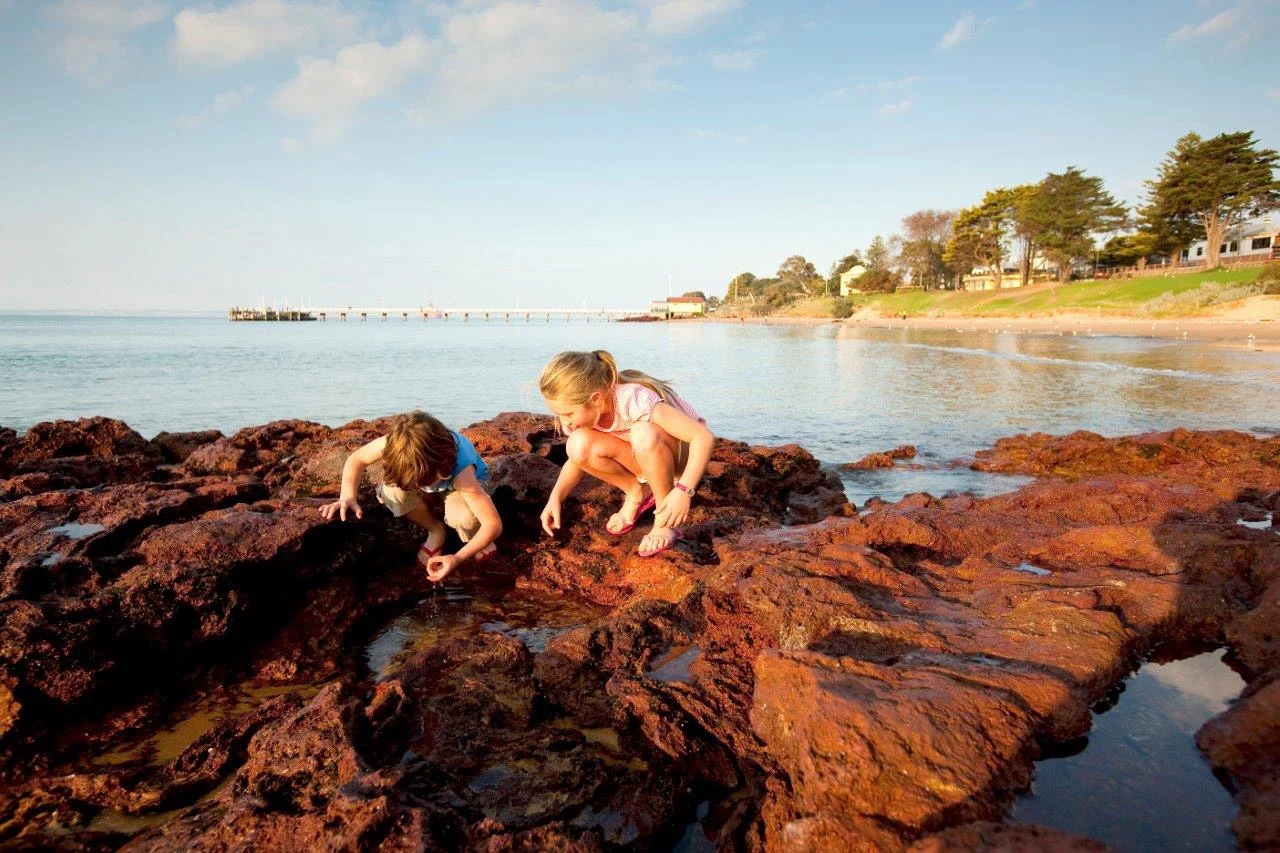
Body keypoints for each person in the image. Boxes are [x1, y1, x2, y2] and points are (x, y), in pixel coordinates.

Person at [538, 350, 713, 557]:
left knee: (643, 432)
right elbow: (577, 459)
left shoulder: (633, 399)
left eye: (567, 413)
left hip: (680, 460)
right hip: (644, 458)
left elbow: (703, 437)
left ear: (595, 399)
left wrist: (684, 490)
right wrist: (556, 498)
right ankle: (636, 492)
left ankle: (664, 518)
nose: (564, 421)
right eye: (558, 414)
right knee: (577, 444)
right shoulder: (582, 416)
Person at [319, 410, 501, 582]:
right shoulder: (398, 445)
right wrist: (347, 497)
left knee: (464, 518)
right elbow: (356, 459)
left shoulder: (462, 470)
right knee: (392, 492)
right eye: (418, 483)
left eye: (429, 480)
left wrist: (457, 558)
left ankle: (475, 535)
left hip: (460, 491)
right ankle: (435, 529)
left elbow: (492, 523)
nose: (423, 485)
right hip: (432, 491)